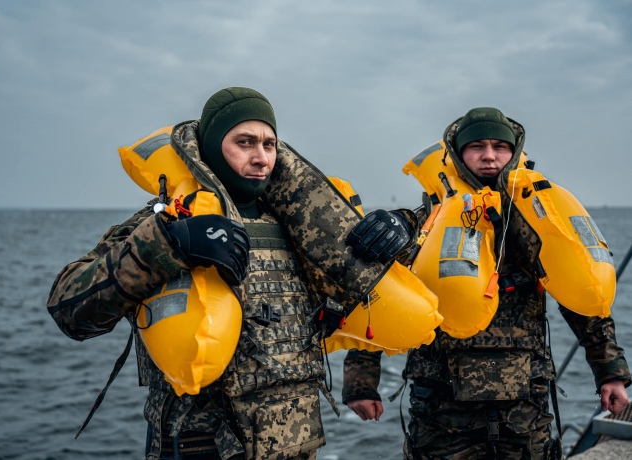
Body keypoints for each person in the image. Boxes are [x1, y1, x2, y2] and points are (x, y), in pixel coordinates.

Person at [46, 87, 415, 460]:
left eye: (269, 145)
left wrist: (402, 224)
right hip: (202, 447)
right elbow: (68, 308)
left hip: (296, 445)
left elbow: (410, 268)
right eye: (244, 142)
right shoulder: (170, 220)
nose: (261, 158)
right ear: (210, 147)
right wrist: (168, 244)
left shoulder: (302, 230)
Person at [342, 107, 631, 459]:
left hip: (524, 404)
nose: (489, 156)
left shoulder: (540, 222)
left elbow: (581, 299)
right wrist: (361, 383)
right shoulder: (424, 224)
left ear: (514, 152)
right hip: (441, 406)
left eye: (500, 147)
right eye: (477, 146)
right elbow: (380, 298)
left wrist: (610, 373)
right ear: (458, 154)